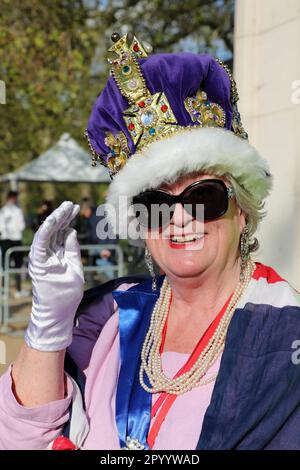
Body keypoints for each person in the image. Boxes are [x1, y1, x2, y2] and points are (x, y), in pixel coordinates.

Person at [0, 33, 300, 451]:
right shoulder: (105, 314)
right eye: (154, 202)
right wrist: (47, 329)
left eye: (203, 197)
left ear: (243, 208)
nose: (178, 218)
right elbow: (17, 438)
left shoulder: (286, 329)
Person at [0, 190, 28, 298]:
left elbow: (21, 226)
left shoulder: (15, 211)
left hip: (12, 239)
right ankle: (6, 291)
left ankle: (15, 290)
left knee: (14, 266)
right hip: (9, 240)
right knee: (7, 266)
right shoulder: (5, 211)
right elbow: (2, 226)